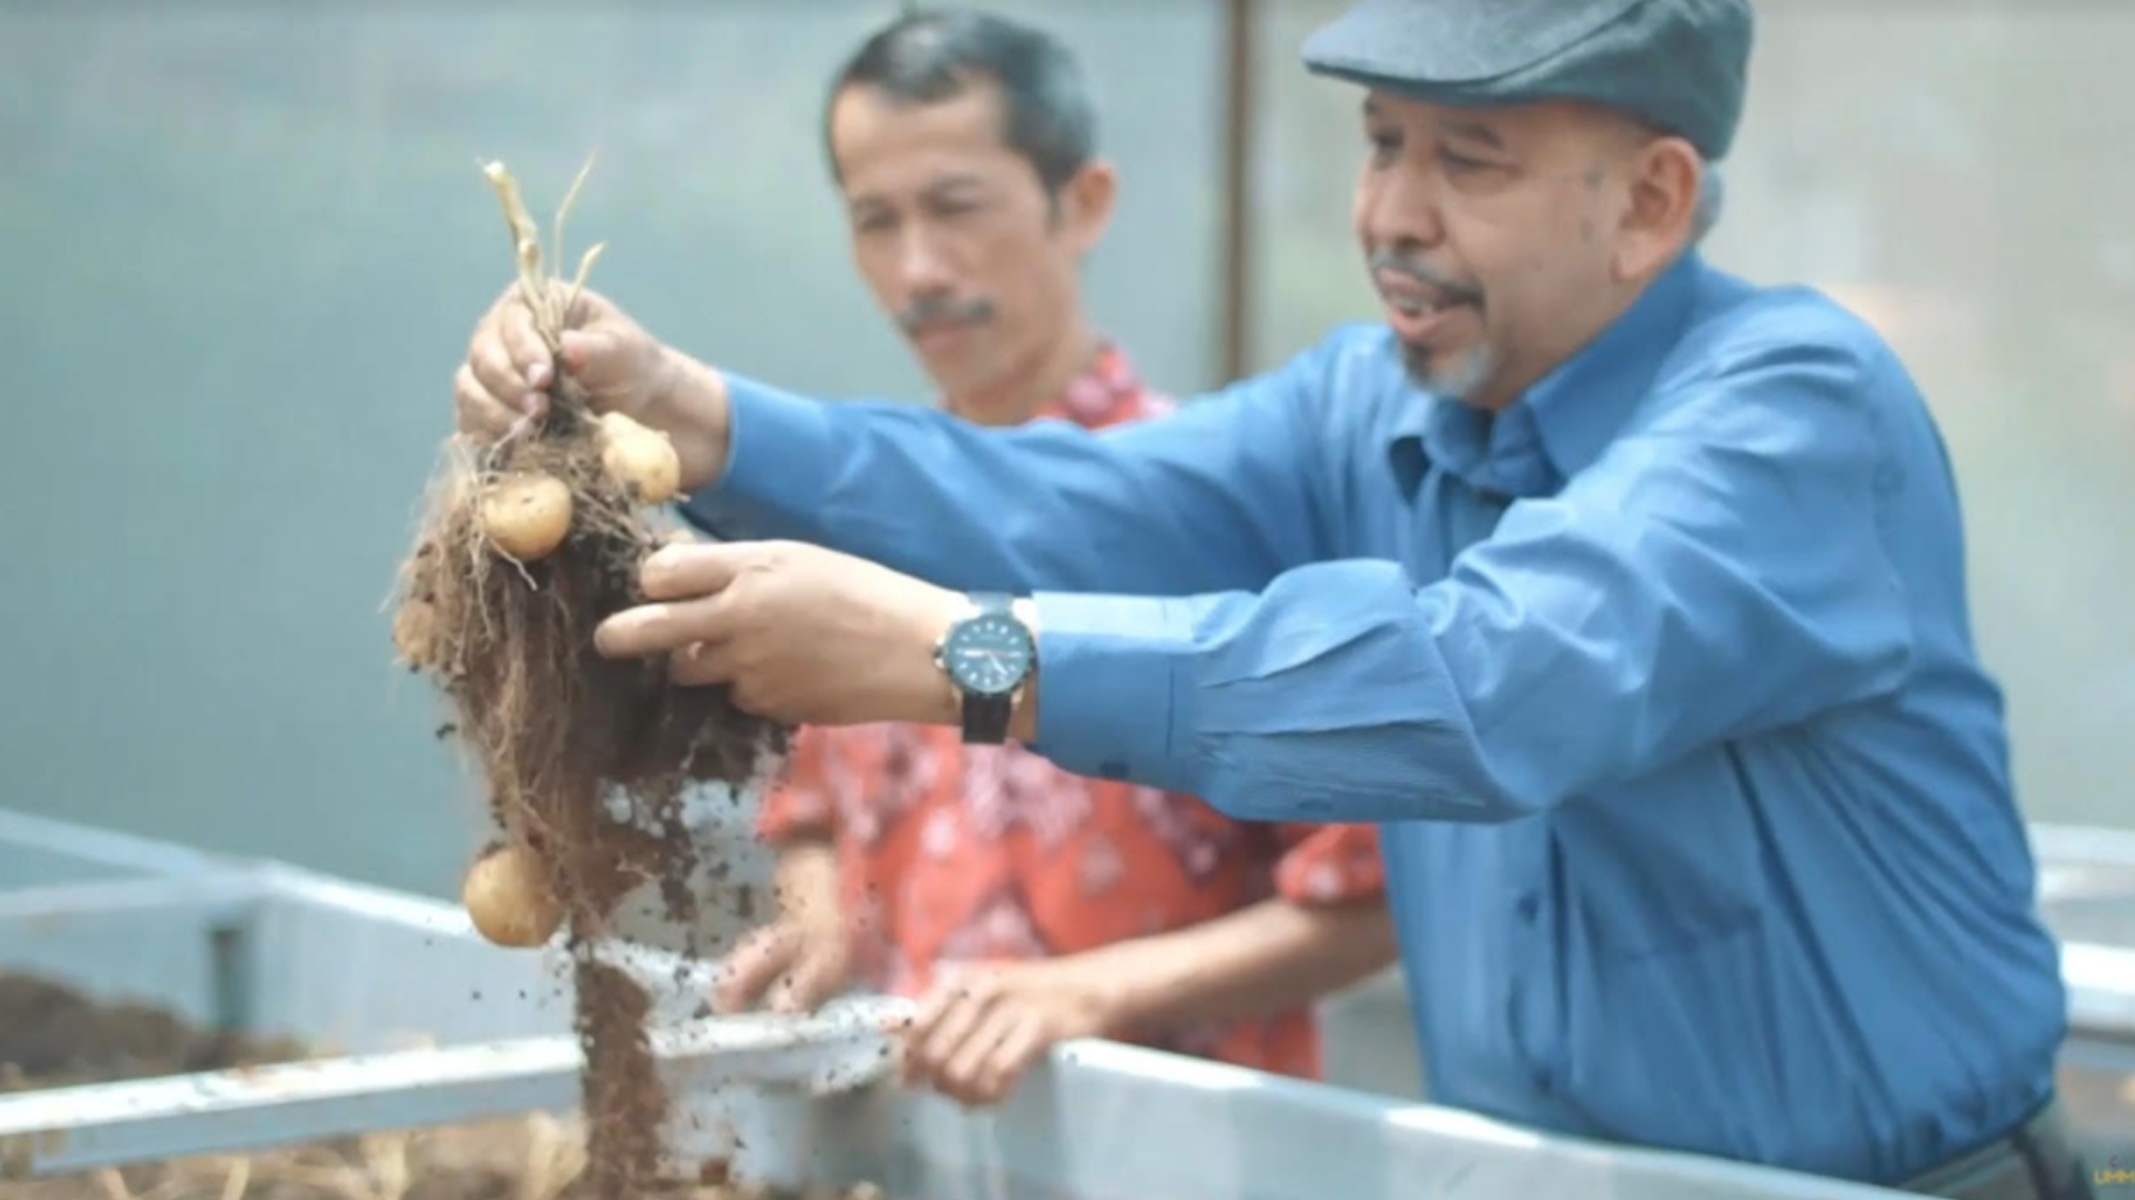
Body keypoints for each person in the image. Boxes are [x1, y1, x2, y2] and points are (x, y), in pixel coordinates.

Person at [452, 0, 2094, 1195]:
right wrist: (702, 418)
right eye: (1380, 146)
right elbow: (1064, 495)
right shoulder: (1368, 409)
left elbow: (1486, 681)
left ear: (1650, 202)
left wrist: (968, 654)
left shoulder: (1787, 412)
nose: (1390, 218)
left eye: (1468, 163)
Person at [704, 9, 1396, 1107]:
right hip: (923, 1140)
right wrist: (818, 920)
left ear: (1083, 203)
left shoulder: (1218, 511)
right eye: (876, 221)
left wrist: (1090, 992)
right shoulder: (856, 520)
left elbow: (1373, 894)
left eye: (956, 208)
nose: (917, 269)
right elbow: (814, 813)